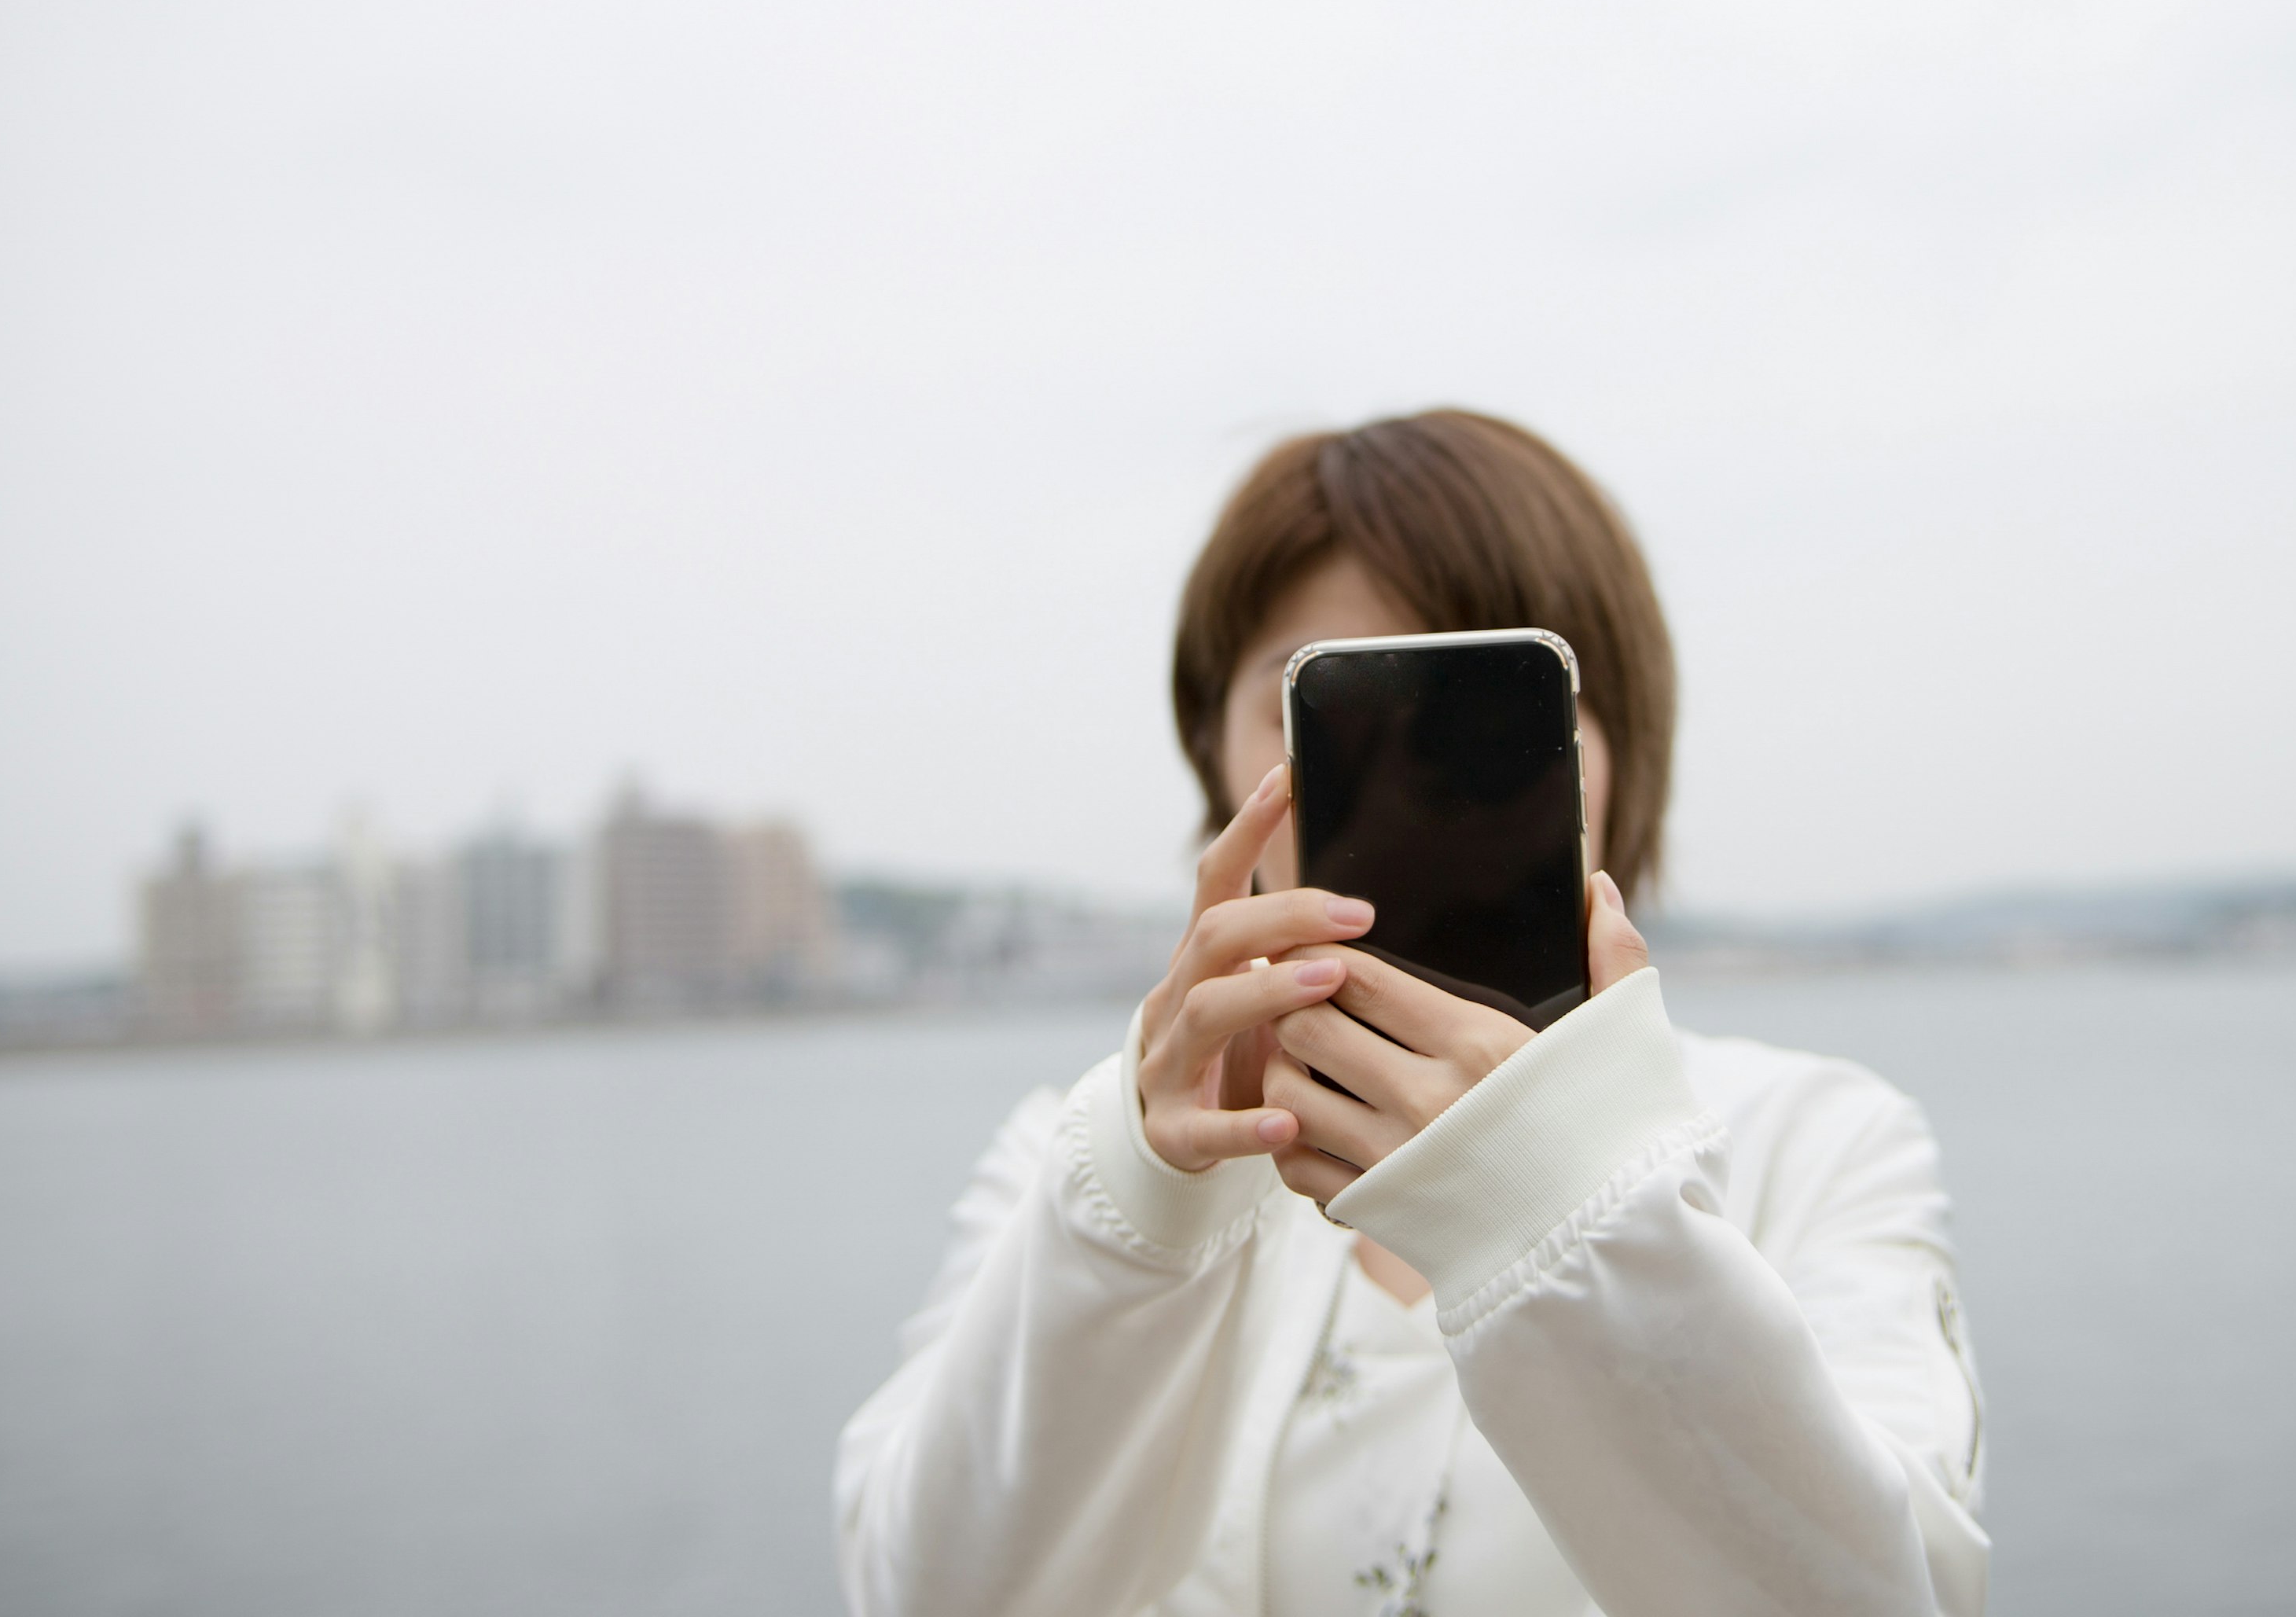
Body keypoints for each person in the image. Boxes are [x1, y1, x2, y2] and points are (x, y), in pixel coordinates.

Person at [837, 410, 1989, 1617]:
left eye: (1483, 721)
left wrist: (1554, 1195)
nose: (1406, 788)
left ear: (1622, 749)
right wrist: (1138, 1189)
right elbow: (918, 1595)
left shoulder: (1816, 1142)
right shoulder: (1080, 1165)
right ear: (1216, 761)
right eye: (1328, 720)